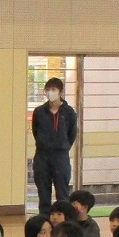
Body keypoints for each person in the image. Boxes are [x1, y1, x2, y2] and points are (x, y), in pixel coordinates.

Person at [31, 77, 77, 213]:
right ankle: (44, 221)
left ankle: (63, 223)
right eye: (48, 90)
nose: (50, 92)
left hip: (60, 156)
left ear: (61, 92)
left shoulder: (69, 112)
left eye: (54, 89)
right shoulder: (39, 112)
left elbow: (72, 134)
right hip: (42, 156)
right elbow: (35, 130)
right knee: (43, 193)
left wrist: (62, 146)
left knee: (62, 193)